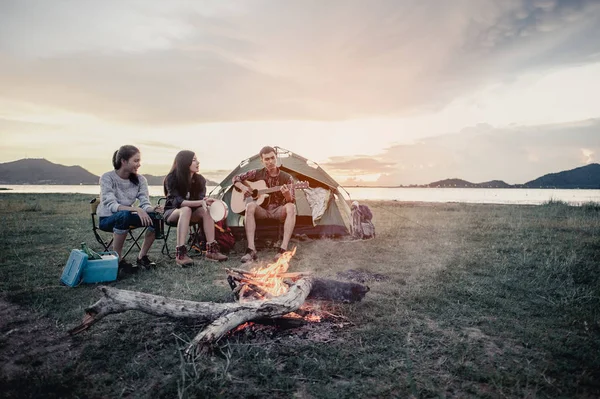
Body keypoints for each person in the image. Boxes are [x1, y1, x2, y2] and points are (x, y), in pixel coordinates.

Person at [97, 145, 163, 273]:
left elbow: (144, 203)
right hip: (107, 219)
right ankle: (118, 260)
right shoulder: (107, 177)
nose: (139, 164)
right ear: (123, 161)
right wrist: (136, 210)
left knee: (156, 217)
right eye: (136, 161)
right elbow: (112, 205)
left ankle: (142, 257)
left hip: (127, 217)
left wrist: (152, 209)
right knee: (124, 215)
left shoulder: (140, 180)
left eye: (139, 161)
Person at [163, 150, 228, 266]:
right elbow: (178, 202)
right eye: (194, 160)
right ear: (184, 162)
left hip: (191, 214)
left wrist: (206, 201)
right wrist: (201, 201)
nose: (198, 162)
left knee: (205, 210)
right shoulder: (171, 178)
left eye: (196, 159)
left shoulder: (200, 180)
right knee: (186, 209)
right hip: (172, 212)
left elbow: (200, 199)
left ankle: (211, 250)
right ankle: (181, 254)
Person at [232, 146, 296, 263]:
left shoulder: (287, 178)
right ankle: (251, 249)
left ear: (276, 158)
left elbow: (291, 201)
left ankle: (283, 249)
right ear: (262, 160)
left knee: (291, 207)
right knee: (249, 206)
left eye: (272, 158)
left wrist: (286, 194)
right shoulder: (256, 173)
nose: (270, 161)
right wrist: (244, 188)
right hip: (262, 210)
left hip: (278, 211)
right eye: (267, 159)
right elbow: (235, 178)